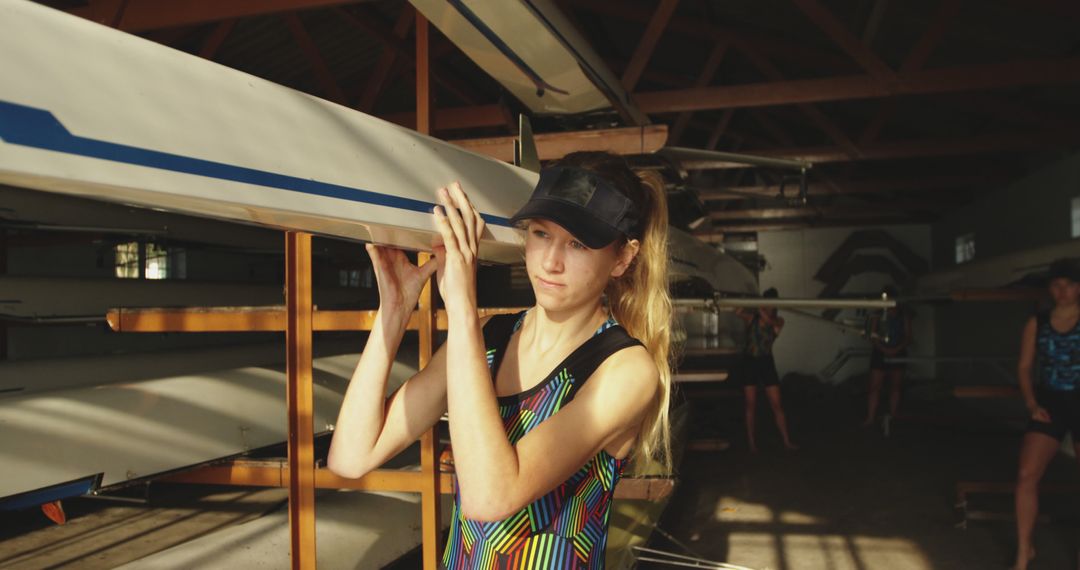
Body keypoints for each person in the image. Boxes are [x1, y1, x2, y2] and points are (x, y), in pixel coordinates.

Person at [327, 151, 672, 568]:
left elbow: (491, 497)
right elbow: (350, 457)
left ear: (622, 258)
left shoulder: (624, 370)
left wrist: (462, 309)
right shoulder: (490, 338)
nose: (550, 262)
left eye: (577, 244)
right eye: (542, 234)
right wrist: (395, 311)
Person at [1013, 258, 1080, 570]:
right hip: (1050, 403)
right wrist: (1030, 403)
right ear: (1050, 289)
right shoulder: (1037, 322)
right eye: (1057, 285)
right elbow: (1025, 367)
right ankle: (1024, 550)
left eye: (1068, 284)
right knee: (1027, 475)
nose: (1062, 290)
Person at [735, 288, 796, 452]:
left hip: (766, 362)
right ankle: (752, 443)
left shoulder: (778, 321)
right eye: (767, 303)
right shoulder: (752, 318)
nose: (769, 306)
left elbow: (770, 322)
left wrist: (759, 307)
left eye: (772, 304)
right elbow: (738, 310)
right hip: (750, 363)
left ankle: (786, 441)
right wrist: (746, 300)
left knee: (777, 405)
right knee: (750, 405)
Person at [863, 285, 912, 429]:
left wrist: (896, 349)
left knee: (895, 387)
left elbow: (908, 337)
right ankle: (870, 418)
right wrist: (884, 349)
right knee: (874, 387)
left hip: (898, 351)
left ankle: (894, 415)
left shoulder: (904, 315)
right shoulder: (877, 314)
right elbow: (873, 335)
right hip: (880, 352)